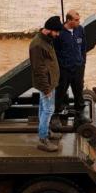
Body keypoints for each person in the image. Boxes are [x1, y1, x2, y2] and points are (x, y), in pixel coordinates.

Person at [29, 15, 63, 152]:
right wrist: (46, 88)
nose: (58, 34)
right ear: (49, 30)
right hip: (46, 84)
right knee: (48, 109)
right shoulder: (37, 45)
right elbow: (38, 69)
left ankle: (46, 132)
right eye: (56, 31)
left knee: (44, 108)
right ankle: (43, 139)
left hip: (50, 82)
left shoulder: (46, 40)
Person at [54, 10, 90, 124]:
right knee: (60, 91)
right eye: (76, 20)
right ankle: (56, 115)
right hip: (64, 69)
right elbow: (55, 52)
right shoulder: (59, 33)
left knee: (78, 91)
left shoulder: (80, 30)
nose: (79, 22)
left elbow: (83, 48)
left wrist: (82, 63)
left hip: (78, 67)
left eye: (79, 19)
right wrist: (62, 65)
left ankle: (79, 115)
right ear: (69, 20)